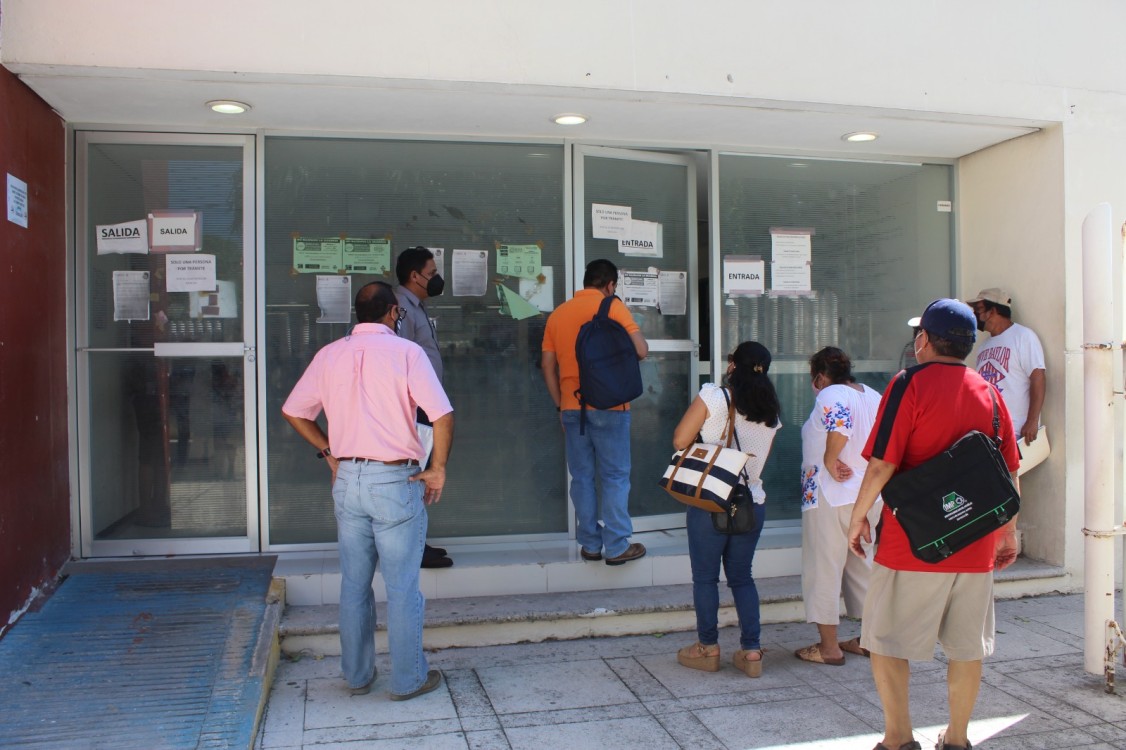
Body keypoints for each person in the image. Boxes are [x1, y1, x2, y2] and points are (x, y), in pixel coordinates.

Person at [846, 299, 1020, 750]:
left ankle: (898, 738)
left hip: (912, 543)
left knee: (884, 639)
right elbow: (1008, 471)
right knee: (966, 648)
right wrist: (1008, 531)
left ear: (924, 339)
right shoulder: (989, 390)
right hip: (975, 542)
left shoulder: (908, 385)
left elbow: (883, 462)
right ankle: (957, 739)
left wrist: (857, 514)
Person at [282, 281, 454, 701]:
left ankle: (358, 677)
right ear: (394, 313)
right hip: (394, 482)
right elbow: (442, 414)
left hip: (348, 483)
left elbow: (293, 411)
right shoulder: (407, 353)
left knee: (354, 586)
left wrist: (328, 454)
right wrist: (437, 470)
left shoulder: (329, 354)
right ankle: (408, 679)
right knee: (401, 589)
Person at [670, 341, 781, 678]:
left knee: (705, 578)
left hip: (710, 501)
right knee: (742, 578)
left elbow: (679, 440)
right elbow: (758, 464)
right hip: (751, 502)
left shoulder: (715, 396)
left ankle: (707, 646)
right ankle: (751, 651)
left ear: (733, 364)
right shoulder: (770, 410)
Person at [541, 259, 649, 566]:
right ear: (610, 285)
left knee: (582, 478)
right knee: (615, 476)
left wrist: (560, 404)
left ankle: (590, 544)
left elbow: (548, 366)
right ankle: (616, 546)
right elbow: (641, 350)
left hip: (573, 408)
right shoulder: (612, 307)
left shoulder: (558, 315)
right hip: (611, 406)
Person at [795, 346, 883, 667]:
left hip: (829, 495)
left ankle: (829, 647)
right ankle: (869, 639)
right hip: (867, 493)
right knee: (863, 566)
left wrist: (831, 460)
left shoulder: (830, 393)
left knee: (825, 567)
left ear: (819, 376)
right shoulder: (872, 395)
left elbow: (840, 424)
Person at [395, 246, 453, 569]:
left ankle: (417, 541)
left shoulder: (415, 306)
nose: (436, 279)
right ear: (414, 276)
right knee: (415, 474)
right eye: (431, 273)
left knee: (419, 473)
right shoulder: (401, 308)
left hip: (425, 404)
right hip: (414, 407)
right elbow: (398, 358)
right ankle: (412, 547)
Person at [966, 288, 1046, 446]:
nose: (975, 315)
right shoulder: (983, 347)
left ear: (993, 310)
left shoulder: (1023, 336)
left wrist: (1032, 421)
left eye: (979, 310)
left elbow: (1038, 378)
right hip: (989, 433)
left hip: (1016, 431)